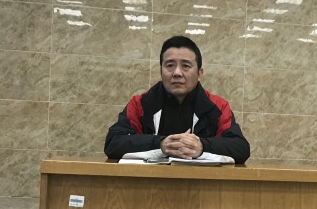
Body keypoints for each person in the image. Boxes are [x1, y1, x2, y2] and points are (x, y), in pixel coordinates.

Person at [104, 35, 250, 163]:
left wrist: (202, 146)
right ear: (160, 71)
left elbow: (240, 148)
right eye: (170, 65)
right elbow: (113, 143)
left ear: (199, 73)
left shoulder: (218, 107)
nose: (177, 73)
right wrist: (161, 144)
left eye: (185, 66)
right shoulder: (140, 104)